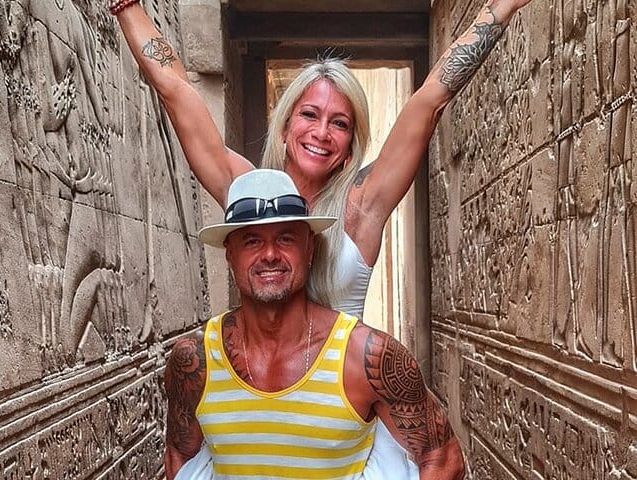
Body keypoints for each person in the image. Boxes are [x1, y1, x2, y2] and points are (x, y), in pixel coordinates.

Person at [109, 0, 531, 476]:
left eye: (340, 123)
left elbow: (429, 102)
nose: (322, 132)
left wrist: (500, 8)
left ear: (350, 147)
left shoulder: (361, 207)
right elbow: (176, 93)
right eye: (309, 115)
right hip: (254, 399)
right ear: (286, 125)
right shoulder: (246, 192)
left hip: (340, 410)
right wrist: (128, 8)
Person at [164, 169, 465, 480]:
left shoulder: (367, 357)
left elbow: (444, 459)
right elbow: (180, 458)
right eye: (252, 241)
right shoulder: (195, 361)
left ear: (309, 248)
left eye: (286, 238)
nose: (270, 254)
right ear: (230, 254)